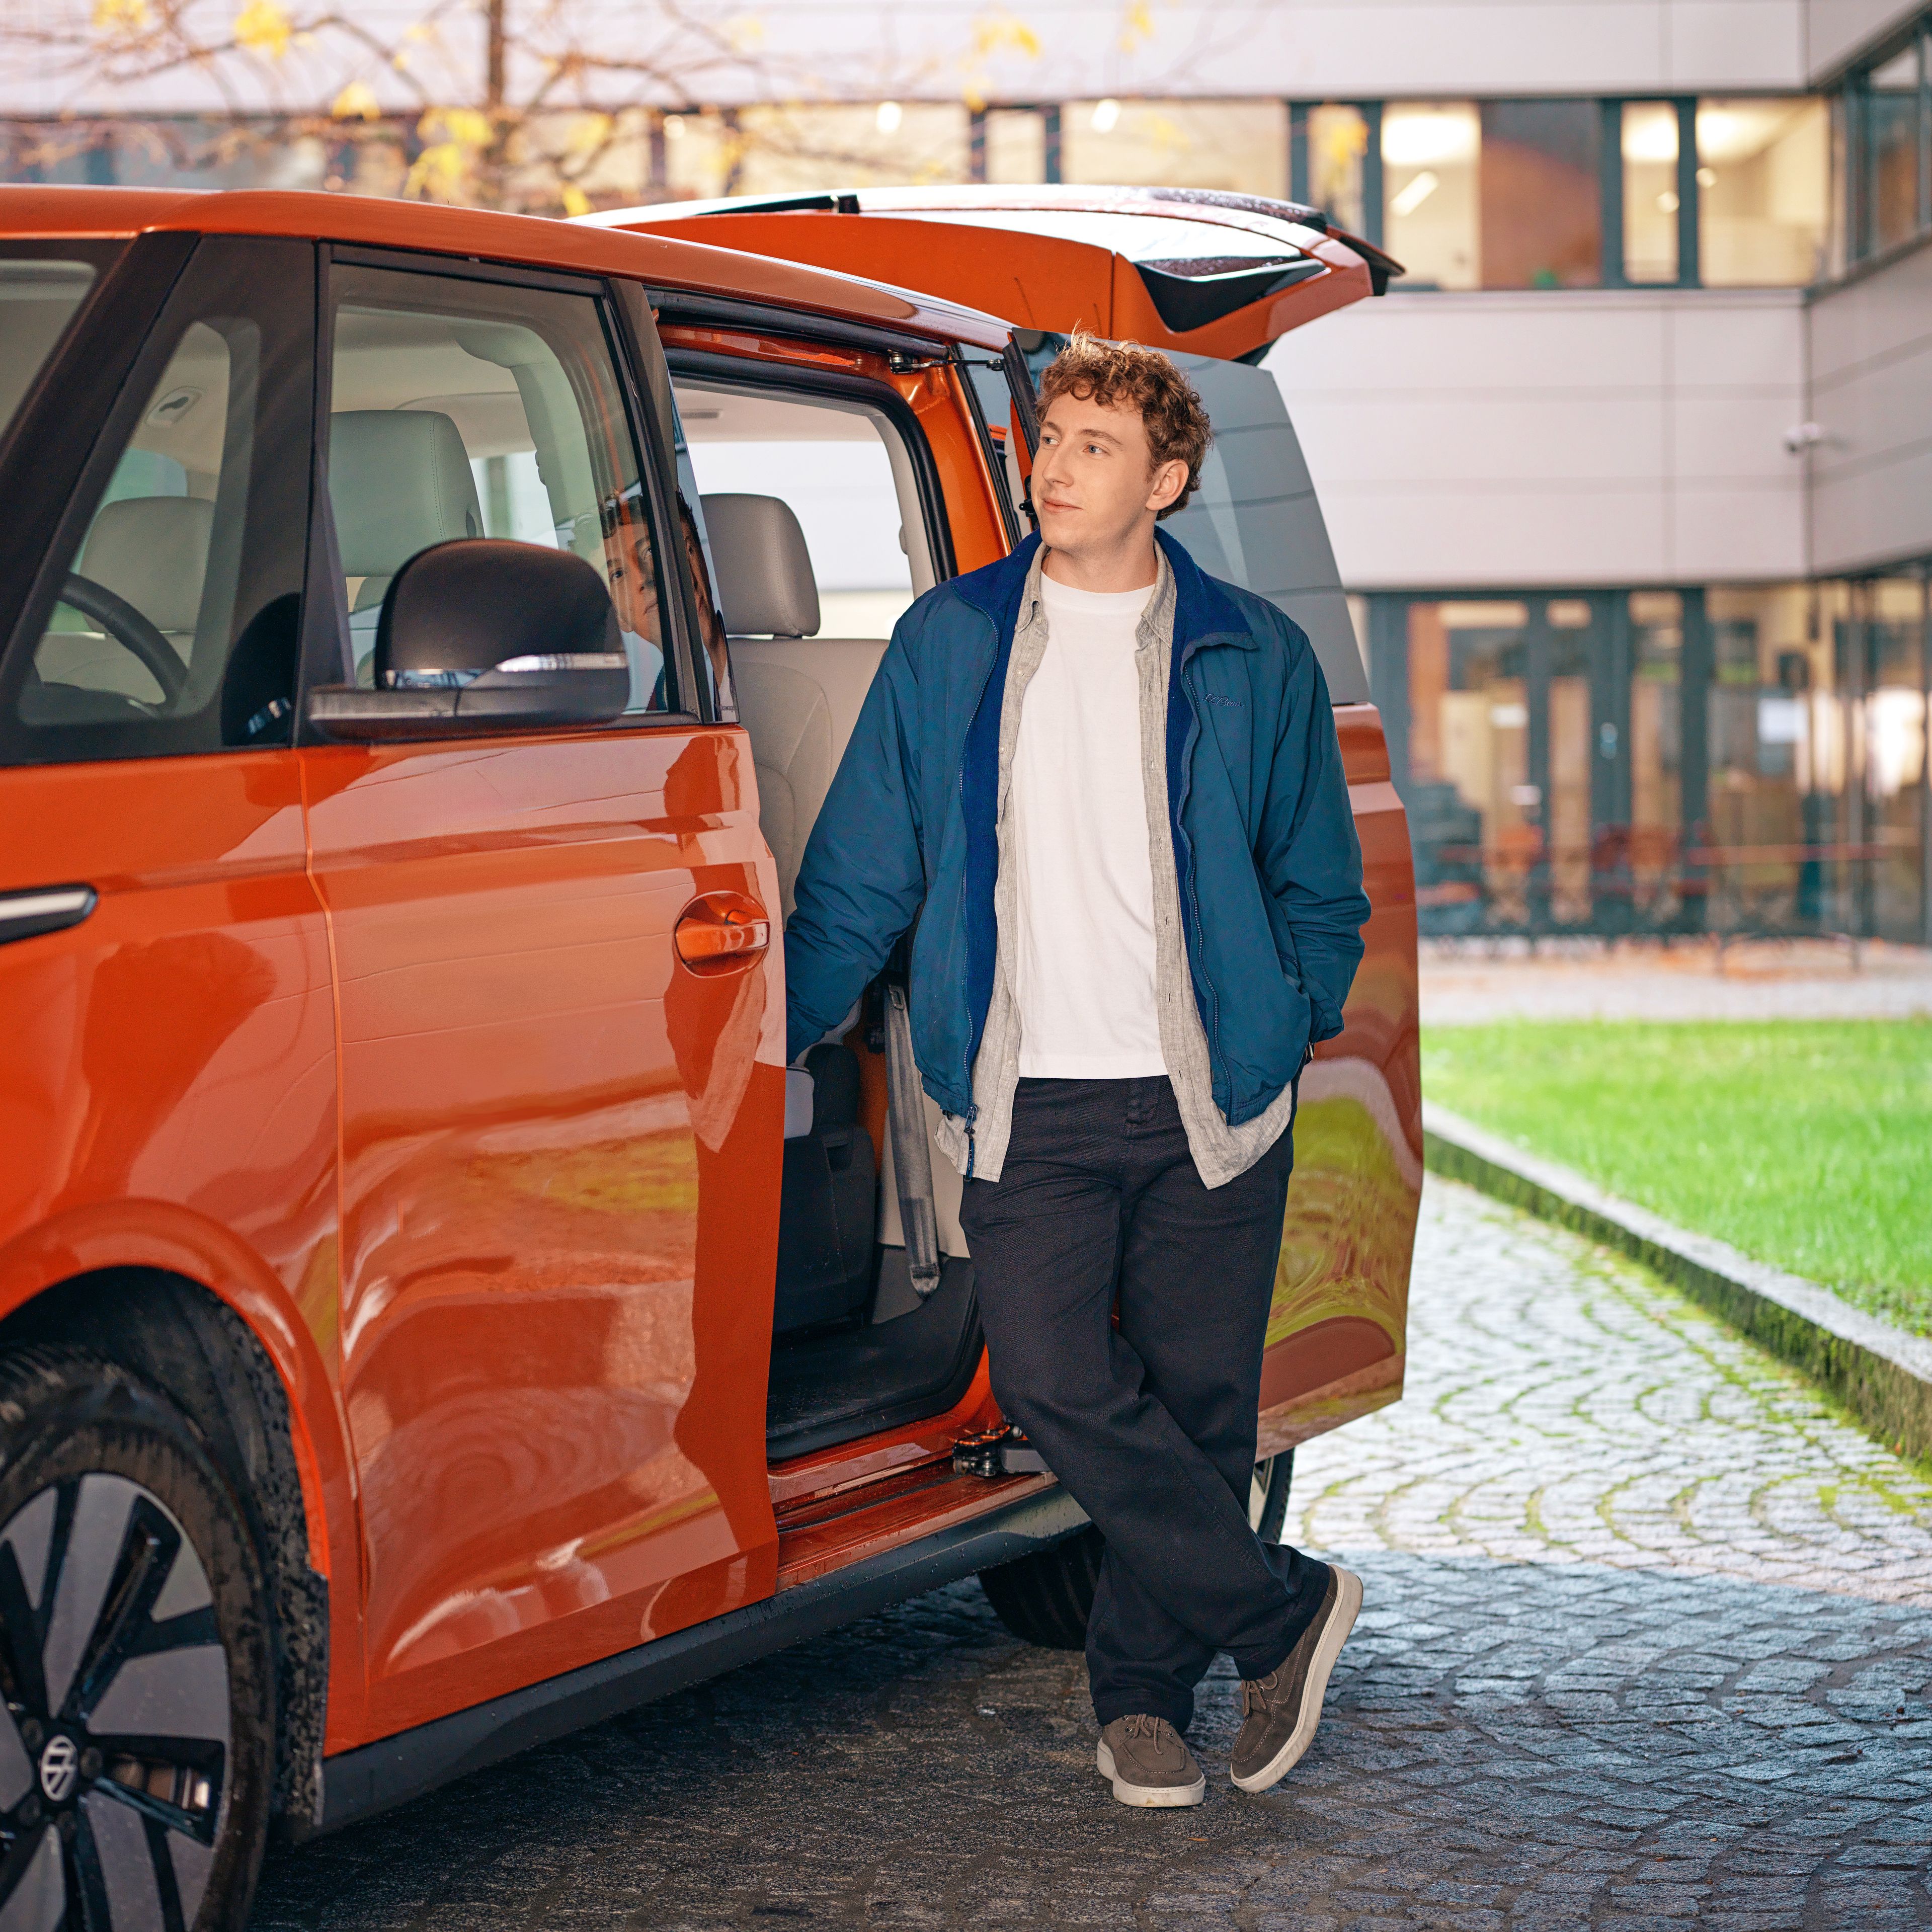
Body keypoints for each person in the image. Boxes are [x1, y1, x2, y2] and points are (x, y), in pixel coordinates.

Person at [782, 333, 1371, 1807]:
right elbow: (866, 858)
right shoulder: (953, 640)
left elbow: (1321, 878)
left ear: (1166, 480)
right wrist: (778, 1024)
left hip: (1207, 1099)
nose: (1053, 465)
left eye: (1094, 446)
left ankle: (1144, 1704)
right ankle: (1282, 1612)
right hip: (1032, 1087)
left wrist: (1288, 1018)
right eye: (1049, 438)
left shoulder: (1253, 654)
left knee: (1198, 1412)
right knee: (1049, 1381)